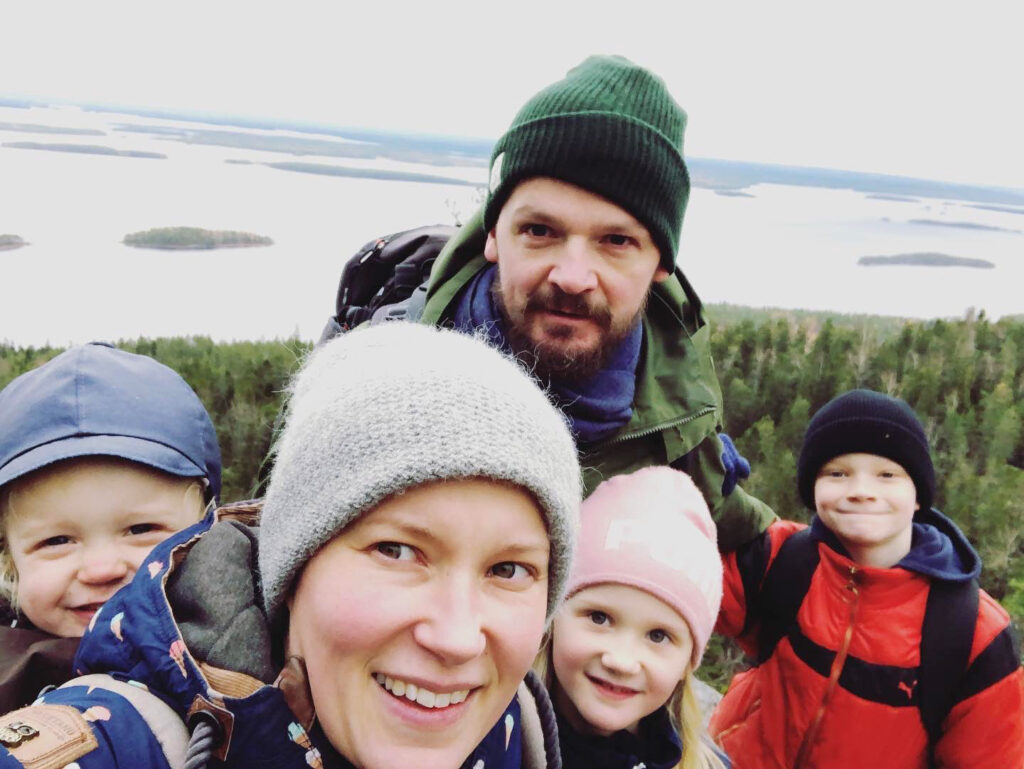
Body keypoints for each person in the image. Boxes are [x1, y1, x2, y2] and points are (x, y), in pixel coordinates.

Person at [0, 323, 582, 769]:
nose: (457, 639)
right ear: (292, 563)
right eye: (397, 551)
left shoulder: (516, 726)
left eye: (509, 568)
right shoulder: (124, 740)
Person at [406, 54, 774, 553]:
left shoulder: (681, 418)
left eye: (616, 241)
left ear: (660, 262)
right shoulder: (381, 384)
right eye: (539, 230)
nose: (573, 277)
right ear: (494, 234)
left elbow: (728, 531)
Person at [709, 389, 1024, 767]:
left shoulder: (972, 632)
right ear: (813, 487)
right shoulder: (782, 557)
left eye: (887, 475)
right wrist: (698, 482)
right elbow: (672, 587)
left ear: (919, 495)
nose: (861, 492)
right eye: (837, 473)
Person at [0, 341, 221, 712]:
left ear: (210, 527)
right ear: (11, 560)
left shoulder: (263, 651)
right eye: (56, 540)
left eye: (141, 529)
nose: (101, 569)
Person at [537, 467, 730, 769]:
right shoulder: (491, 742)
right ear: (554, 617)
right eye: (599, 618)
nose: (622, 661)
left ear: (687, 663)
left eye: (658, 636)